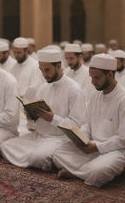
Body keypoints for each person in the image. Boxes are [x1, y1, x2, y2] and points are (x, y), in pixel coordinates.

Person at [0, 49, 86, 171]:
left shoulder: (74, 90)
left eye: (47, 70)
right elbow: (37, 119)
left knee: (38, 157)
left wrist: (53, 118)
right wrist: (31, 115)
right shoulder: (43, 88)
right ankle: (46, 161)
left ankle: (43, 159)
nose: (44, 74)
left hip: (59, 138)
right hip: (39, 135)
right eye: (41, 70)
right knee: (5, 146)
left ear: (58, 66)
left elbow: (77, 125)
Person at [53, 53, 125, 188]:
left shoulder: (122, 99)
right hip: (92, 146)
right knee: (58, 153)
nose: (92, 82)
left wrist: (97, 147)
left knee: (98, 171)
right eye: (91, 77)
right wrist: (81, 137)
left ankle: (77, 173)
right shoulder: (95, 95)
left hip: (116, 150)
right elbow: (87, 123)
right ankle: (84, 171)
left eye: (96, 78)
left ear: (110, 74)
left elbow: (122, 139)